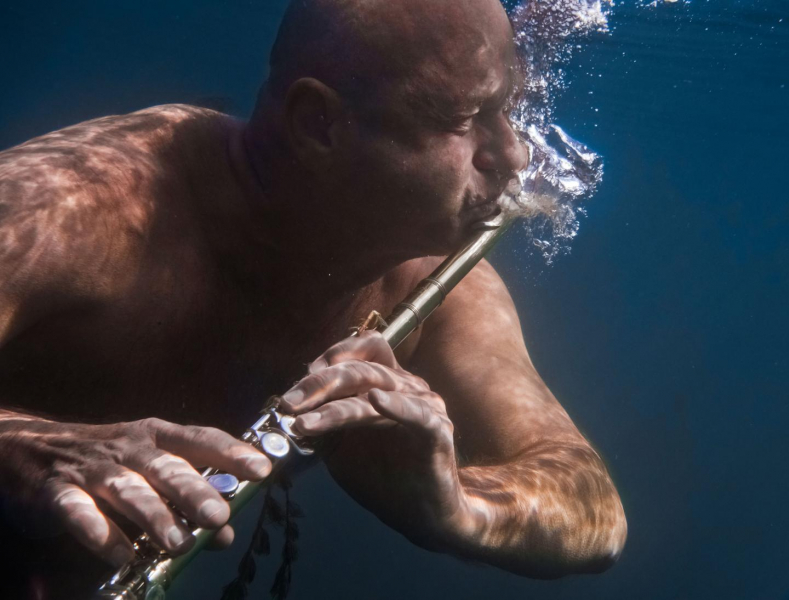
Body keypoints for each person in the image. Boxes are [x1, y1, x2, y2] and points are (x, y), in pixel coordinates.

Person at [0, 0, 627, 596]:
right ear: (317, 123)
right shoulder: (78, 204)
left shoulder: (424, 277)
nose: (514, 153)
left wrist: (460, 506)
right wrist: (23, 452)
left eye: (508, 109)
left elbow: (591, 503)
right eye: (464, 120)